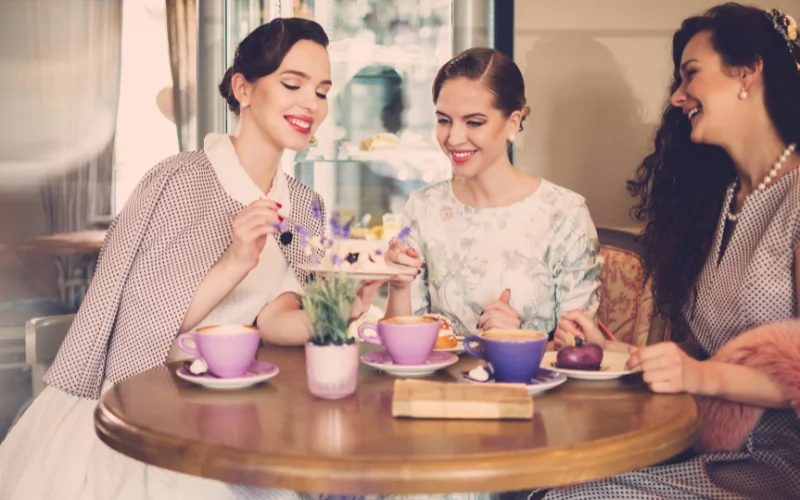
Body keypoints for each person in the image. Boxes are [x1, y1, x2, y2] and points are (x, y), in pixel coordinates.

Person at [0, 18, 382, 500]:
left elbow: (275, 319)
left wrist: (340, 308)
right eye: (292, 84)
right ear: (243, 88)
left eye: (323, 91)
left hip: (247, 411)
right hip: (152, 410)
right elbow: (138, 335)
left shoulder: (304, 204)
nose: (312, 104)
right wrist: (233, 262)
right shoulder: (178, 183)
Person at [517, 4, 800, 499]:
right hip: (704, 447)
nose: (677, 96)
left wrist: (697, 374)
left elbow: (713, 370)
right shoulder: (722, 202)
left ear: (749, 71)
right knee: (546, 487)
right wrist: (615, 353)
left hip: (777, 462)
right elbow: (705, 353)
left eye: (692, 75)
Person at [384, 47, 602, 338]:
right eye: (444, 120)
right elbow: (402, 342)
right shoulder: (424, 207)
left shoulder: (564, 213)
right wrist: (398, 286)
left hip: (529, 383)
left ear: (512, 123)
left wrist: (517, 338)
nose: (454, 138)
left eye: (474, 122)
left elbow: (581, 349)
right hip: (440, 384)